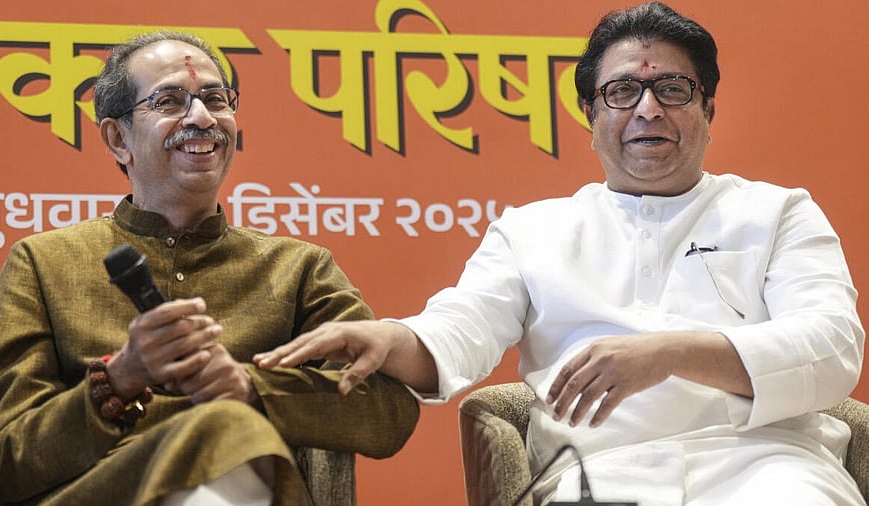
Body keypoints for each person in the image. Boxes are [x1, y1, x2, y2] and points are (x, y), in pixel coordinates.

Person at [256, 3, 866, 505]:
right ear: (591, 117)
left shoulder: (779, 211)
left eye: (672, 89)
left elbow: (833, 347)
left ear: (708, 109)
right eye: (622, 92)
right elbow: (461, 327)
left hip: (769, 469)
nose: (647, 109)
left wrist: (674, 352)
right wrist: (394, 339)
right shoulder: (534, 231)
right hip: (598, 473)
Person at [0, 31, 419, 506]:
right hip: (104, 492)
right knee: (221, 426)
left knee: (228, 425)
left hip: (248, 478)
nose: (203, 117)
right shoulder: (43, 263)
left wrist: (254, 388)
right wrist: (120, 379)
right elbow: (7, 462)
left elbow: (389, 412)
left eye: (215, 98)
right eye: (169, 101)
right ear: (117, 138)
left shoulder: (299, 268)